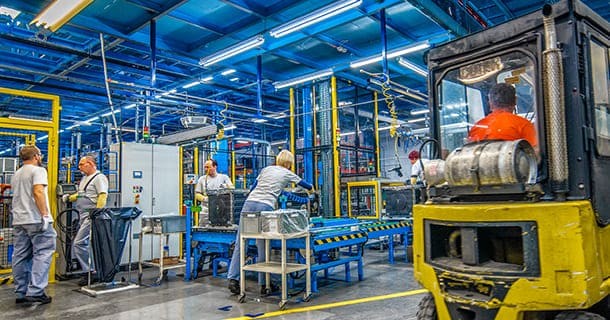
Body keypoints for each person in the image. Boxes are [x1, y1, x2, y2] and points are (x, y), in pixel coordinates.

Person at [226, 150, 313, 295]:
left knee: (241, 242)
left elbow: (253, 187)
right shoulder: (287, 173)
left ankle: (233, 279)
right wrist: (312, 191)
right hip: (265, 206)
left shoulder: (266, 169)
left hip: (249, 204)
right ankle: (264, 284)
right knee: (263, 245)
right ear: (290, 163)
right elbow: (306, 185)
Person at [11, 145, 56, 305]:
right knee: (43, 252)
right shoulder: (38, 171)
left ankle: (21, 292)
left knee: (20, 256)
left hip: (19, 220)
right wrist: (44, 215)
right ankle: (36, 291)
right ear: (36, 156)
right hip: (36, 219)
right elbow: (38, 191)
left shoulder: (17, 173)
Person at [62, 155, 108, 285]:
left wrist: (96, 213)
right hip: (83, 215)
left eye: (82, 164)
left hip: (91, 216)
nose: (79, 167)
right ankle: (91, 270)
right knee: (85, 243)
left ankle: (91, 272)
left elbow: (103, 196)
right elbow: (82, 194)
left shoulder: (99, 178)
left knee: (79, 243)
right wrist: (69, 198)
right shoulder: (85, 178)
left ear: (90, 164)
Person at [468, 83, 538, 149]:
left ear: (490, 103)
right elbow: (535, 152)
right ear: (515, 101)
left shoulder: (476, 127)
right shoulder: (523, 124)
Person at [194, 159, 234, 227]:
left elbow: (232, 188)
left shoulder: (224, 177)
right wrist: (205, 199)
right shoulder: (202, 179)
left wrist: (224, 186)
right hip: (206, 211)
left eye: (208, 167)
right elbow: (197, 194)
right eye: (205, 167)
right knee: (204, 230)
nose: (206, 169)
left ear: (215, 167)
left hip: (222, 211)